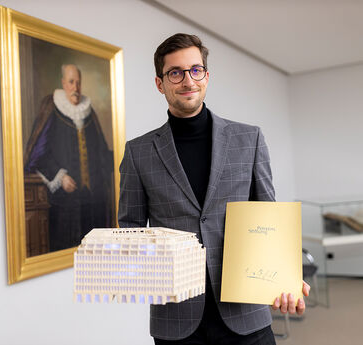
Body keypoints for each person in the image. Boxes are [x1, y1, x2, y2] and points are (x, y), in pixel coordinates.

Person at [118, 33, 310, 344]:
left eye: (196, 70)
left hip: (245, 311)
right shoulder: (139, 152)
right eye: (175, 72)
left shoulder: (249, 138)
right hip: (177, 317)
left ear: (206, 76)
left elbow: (269, 218)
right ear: (160, 83)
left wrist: (286, 279)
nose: (187, 80)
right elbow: (131, 228)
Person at [25, 64, 114, 252]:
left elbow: (101, 151)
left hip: (91, 199)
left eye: (78, 83)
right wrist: (60, 176)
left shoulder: (88, 112)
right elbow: (38, 153)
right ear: (63, 83)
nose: (76, 87)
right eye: (71, 82)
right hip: (64, 201)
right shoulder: (51, 108)